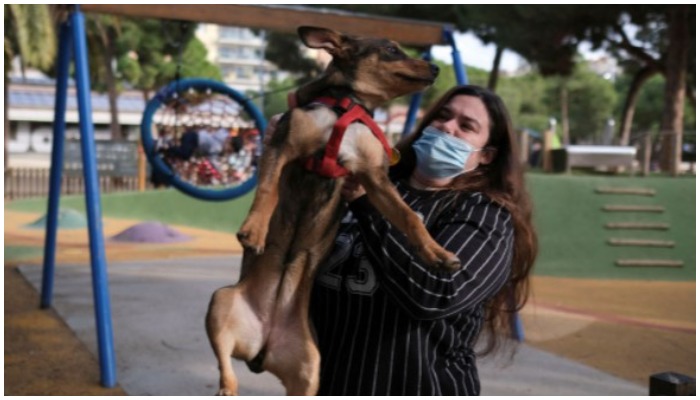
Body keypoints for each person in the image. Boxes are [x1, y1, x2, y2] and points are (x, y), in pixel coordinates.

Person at [307, 85, 538, 395]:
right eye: (442, 116)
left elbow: (435, 293)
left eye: (466, 126)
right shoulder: (364, 188)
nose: (447, 126)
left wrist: (371, 207)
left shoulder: (485, 215)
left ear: (486, 155)